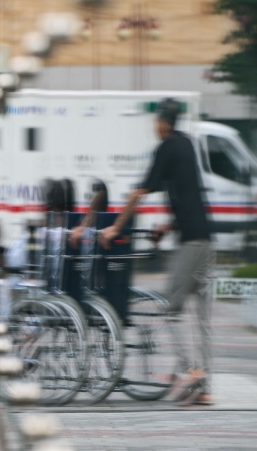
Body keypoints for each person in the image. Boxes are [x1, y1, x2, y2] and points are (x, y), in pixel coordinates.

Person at [99, 98, 215, 406]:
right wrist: (168, 225)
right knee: (202, 318)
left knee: (171, 309)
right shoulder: (187, 144)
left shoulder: (165, 147)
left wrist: (115, 228)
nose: (155, 127)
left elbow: (140, 191)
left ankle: (191, 371)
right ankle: (205, 387)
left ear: (162, 123)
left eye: (156, 122)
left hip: (190, 242)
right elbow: (189, 192)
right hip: (206, 238)